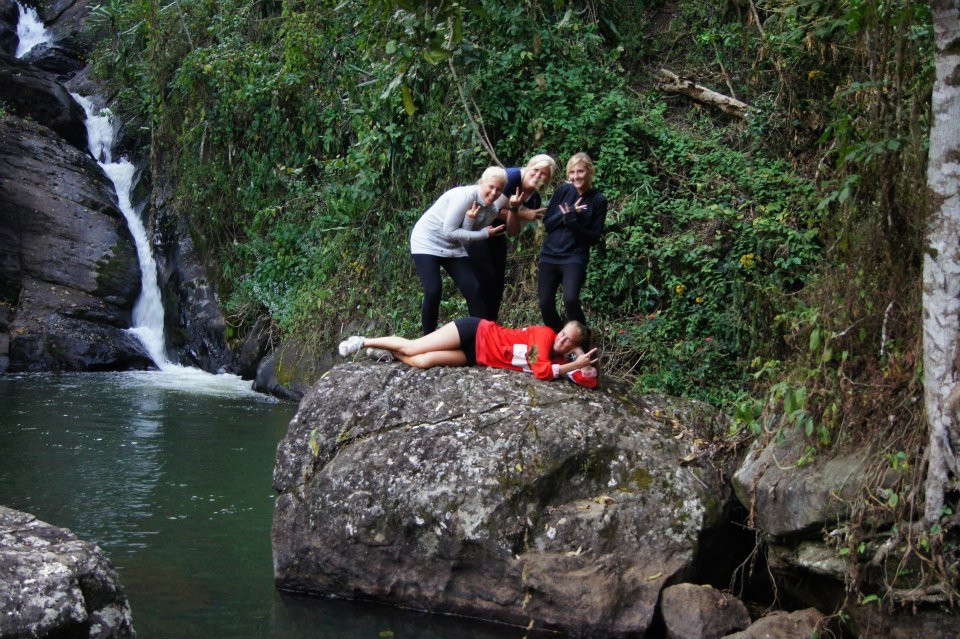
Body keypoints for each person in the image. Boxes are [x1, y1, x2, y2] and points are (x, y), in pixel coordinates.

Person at [338, 317, 598, 387]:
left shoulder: (558, 358)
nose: (561, 341)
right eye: (563, 334)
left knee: (423, 361)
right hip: (476, 331)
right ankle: (364, 342)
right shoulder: (543, 336)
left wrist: (577, 355)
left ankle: (388, 355)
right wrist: (571, 363)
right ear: (560, 328)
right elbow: (540, 371)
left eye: (568, 343)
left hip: (477, 356)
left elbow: (590, 379)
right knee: (414, 346)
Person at [410, 167, 508, 334]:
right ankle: (427, 340)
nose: (494, 193)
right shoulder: (465, 196)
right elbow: (448, 231)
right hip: (427, 240)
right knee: (433, 290)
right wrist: (485, 234)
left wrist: (470, 221)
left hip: (454, 246)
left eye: (499, 190)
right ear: (481, 183)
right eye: (491, 187)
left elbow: (465, 236)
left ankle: (484, 339)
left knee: (473, 288)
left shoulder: (492, 211)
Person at [466, 154, 557, 322]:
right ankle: (477, 326)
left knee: (497, 284)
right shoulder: (511, 178)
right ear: (528, 168)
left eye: (543, 174)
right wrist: (523, 213)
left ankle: (491, 327)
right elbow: (487, 206)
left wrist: (516, 211)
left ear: (548, 179)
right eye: (535, 170)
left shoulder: (535, 200)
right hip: (477, 229)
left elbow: (513, 231)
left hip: (497, 234)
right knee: (484, 279)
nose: (537, 176)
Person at [537, 152, 607, 332]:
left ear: (589, 172)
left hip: (574, 257)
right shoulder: (563, 191)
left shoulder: (598, 200)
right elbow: (547, 223)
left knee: (570, 300)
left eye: (580, 171)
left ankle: (584, 340)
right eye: (572, 172)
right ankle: (561, 340)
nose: (576, 176)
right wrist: (565, 215)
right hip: (550, 255)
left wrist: (573, 223)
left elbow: (593, 238)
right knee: (545, 304)